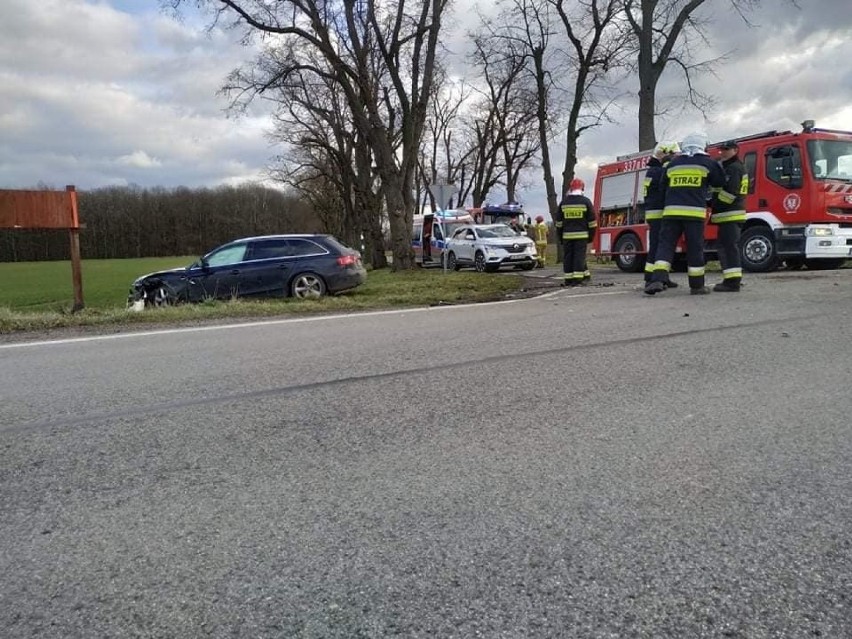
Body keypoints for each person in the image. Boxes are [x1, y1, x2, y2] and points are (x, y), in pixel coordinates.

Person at [644, 132, 727, 295]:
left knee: (665, 246)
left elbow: (662, 187)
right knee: (694, 248)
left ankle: (658, 280)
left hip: (671, 213)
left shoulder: (673, 164)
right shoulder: (708, 163)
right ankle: (697, 286)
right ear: (702, 146)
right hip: (694, 214)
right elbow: (720, 183)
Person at [710, 140, 748, 291]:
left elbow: (730, 193)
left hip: (729, 213)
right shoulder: (732, 167)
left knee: (728, 248)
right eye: (721, 150)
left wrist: (714, 204)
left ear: (735, 150)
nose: (723, 152)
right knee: (727, 247)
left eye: (726, 149)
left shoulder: (733, 168)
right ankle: (731, 280)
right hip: (729, 214)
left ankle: (732, 282)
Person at [643, 141, 681, 287]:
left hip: (654, 213)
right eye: (674, 155)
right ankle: (651, 279)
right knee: (658, 247)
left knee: (658, 246)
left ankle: (659, 276)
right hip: (659, 213)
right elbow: (664, 191)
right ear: (665, 154)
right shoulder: (658, 171)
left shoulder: (652, 170)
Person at [555, 178, 597, 286]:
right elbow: (592, 222)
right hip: (582, 236)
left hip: (567, 236)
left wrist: (560, 237)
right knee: (579, 256)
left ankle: (568, 279)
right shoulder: (586, 202)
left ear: (571, 188)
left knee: (568, 257)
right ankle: (578, 279)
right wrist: (591, 237)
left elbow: (559, 223)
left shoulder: (563, 203)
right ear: (582, 188)